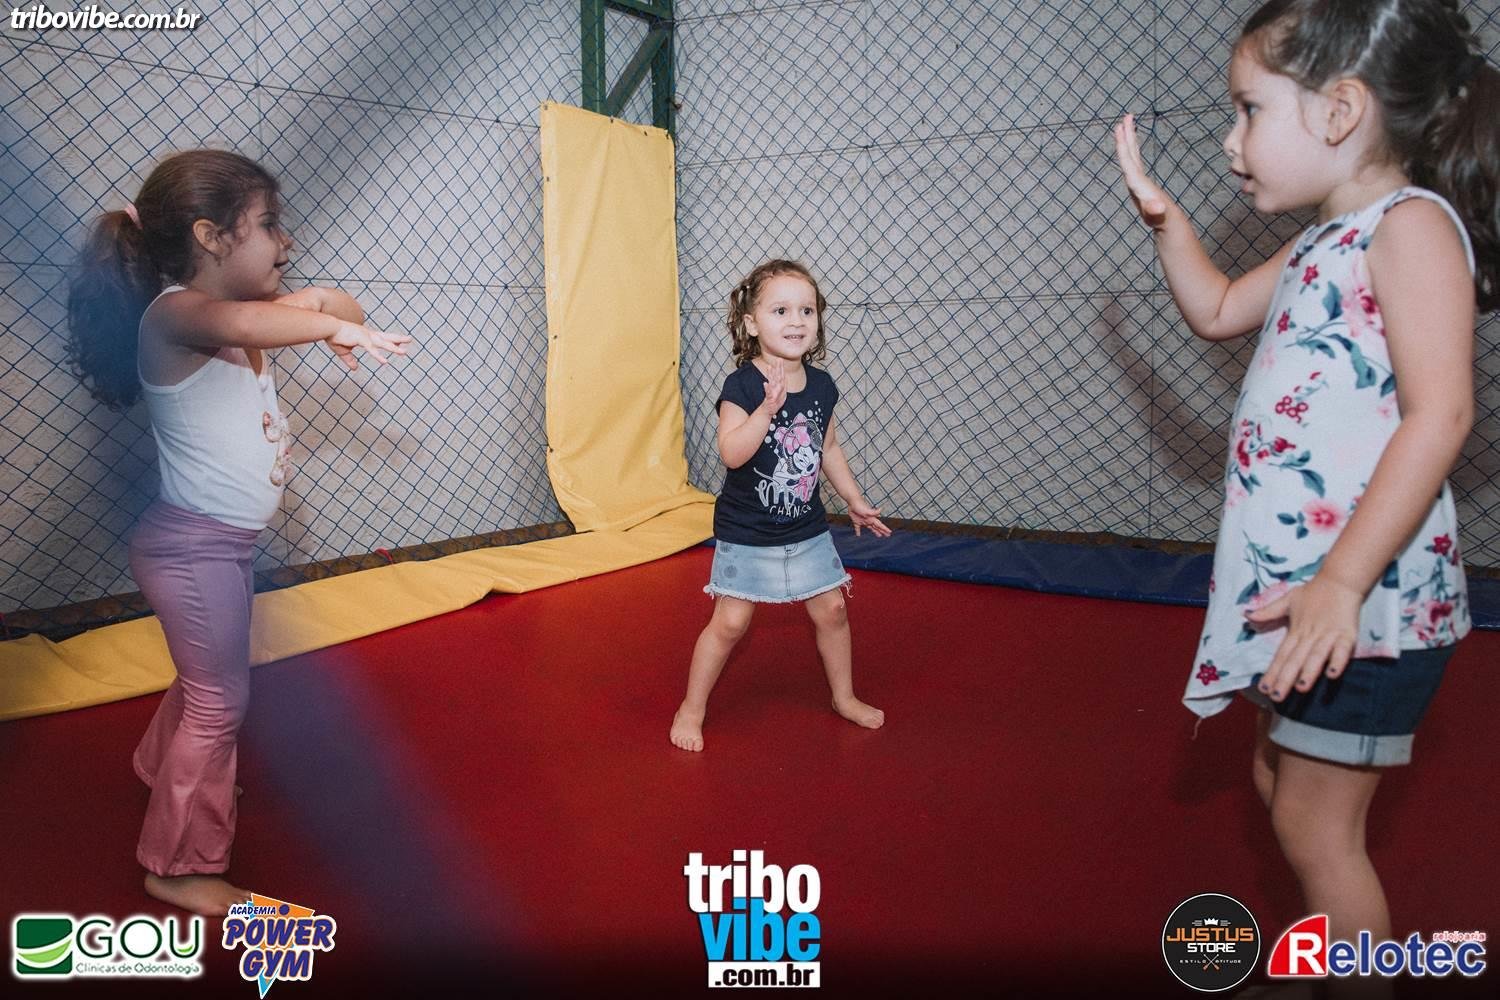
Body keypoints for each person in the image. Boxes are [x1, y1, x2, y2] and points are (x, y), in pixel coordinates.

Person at [1114, 0, 1497, 976]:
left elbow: (1441, 414)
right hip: (1305, 598)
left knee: (1317, 831)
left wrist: (1343, 581)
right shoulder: (1325, 238)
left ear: (1340, 110)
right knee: (1277, 785)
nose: (1230, 138)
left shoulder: (1410, 229)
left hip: (1362, 606)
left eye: (1248, 110)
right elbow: (1216, 308)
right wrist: (1168, 223)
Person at [65, 149, 411, 915]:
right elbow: (248, 321)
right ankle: (178, 867)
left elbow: (333, 304)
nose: (286, 241)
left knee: (208, 680)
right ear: (212, 236)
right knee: (220, 700)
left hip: (217, 547)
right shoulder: (174, 315)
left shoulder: (255, 311)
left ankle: (162, 766)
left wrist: (336, 319)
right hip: (192, 548)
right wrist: (324, 324)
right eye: (270, 225)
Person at [670, 259, 891, 752]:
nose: (796, 321)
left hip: (805, 527)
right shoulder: (743, 386)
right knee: (730, 622)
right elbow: (731, 453)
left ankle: (844, 696)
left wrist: (854, 499)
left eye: (807, 311)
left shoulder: (822, 386)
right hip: (747, 530)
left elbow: (827, 448)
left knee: (833, 609)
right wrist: (766, 411)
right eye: (781, 311)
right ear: (751, 323)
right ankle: (691, 707)